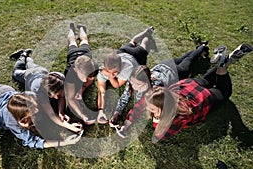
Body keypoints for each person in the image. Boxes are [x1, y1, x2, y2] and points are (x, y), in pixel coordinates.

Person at [116, 43, 252, 140]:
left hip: (204, 97)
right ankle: (223, 62)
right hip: (188, 85)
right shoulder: (158, 96)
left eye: (151, 108)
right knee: (206, 80)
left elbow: (160, 134)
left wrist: (155, 120)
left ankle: (223, 65)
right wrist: (126, 125)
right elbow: (139, 107)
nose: (148, 108)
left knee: (223, 92)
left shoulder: (177, 118)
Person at [0, 63, 81, 149]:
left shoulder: (33, 99)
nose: (39, 112)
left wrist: (64, 121)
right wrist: (65, 142)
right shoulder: (13, 121)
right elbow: (34, 142)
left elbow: (49, 114)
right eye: (35, 113)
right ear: (23, 119)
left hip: (4, 93)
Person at [109, 43, 210, 125]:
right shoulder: (133, 81)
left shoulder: (156, 88)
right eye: (132, 83)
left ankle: (202, 47)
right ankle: (199, 49)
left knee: (189, 60)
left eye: (138, 85)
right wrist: (117, 113)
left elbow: (145, 106)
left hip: (176, 72)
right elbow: (124, 98)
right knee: (183, 58)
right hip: (164, 65)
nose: (134, 86)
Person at [10, 48, 82, 133]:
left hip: (40, 70)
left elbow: (62, 96)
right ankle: (23, 54)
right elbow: (50, 114)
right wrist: (70, 127)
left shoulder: (60, 78)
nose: (57, 98)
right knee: (15, 73)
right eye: (56, 96)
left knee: (30, 63)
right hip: (29, 75)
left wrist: (61, 112)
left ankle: (28, 59)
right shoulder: (37, 91)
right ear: (47, 94)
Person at [97, 27, 155, 124]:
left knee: (143, 46)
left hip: (136, 56)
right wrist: (101, 110)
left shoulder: (127, 69)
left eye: (115, 72)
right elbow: (101, 89)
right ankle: (144, 31)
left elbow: (116, 85)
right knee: (132, 41)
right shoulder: (104, 69)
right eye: (110, 71)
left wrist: (110, 76)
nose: (113, 74)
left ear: (121, 66)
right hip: (123, 51)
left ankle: (147, 36)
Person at [64, 23, 98, 125]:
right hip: (73, 54)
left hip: (85, 52)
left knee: (84, 40)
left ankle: (82, 28)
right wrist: (82, 115)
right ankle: (71, 29)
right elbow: (70, 98)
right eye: (84, 76)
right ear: (76, 70)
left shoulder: (93, 67)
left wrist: (81, 89)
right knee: (72, 42)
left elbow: (91, 80)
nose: (85, 79)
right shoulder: (69, 74)